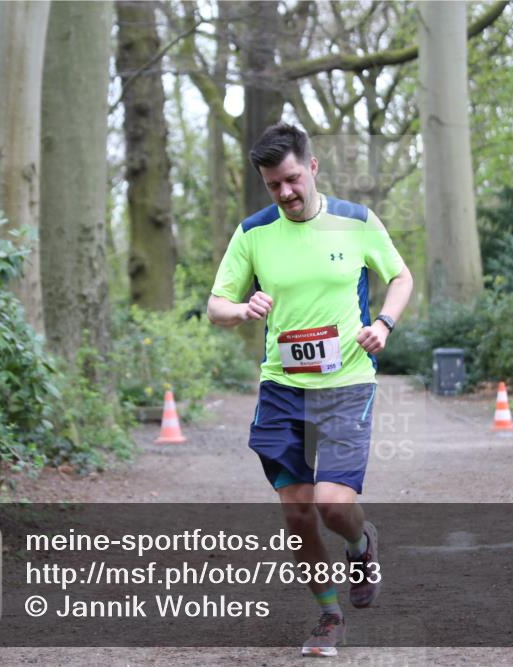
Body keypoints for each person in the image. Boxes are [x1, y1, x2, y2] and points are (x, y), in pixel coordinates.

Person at [207, 123, 413, 657]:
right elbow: (216, 306)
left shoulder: (356, 222)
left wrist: (384, 324)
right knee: (297, 513)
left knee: (331, 504)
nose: (286, 193)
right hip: (282, 388)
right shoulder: (253, 233)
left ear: (313, 167)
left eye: (293, 180)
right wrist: (241, 308)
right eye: (274, 185)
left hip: (346, 382)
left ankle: (362, 542)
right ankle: (327, 614)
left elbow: (401, 277)